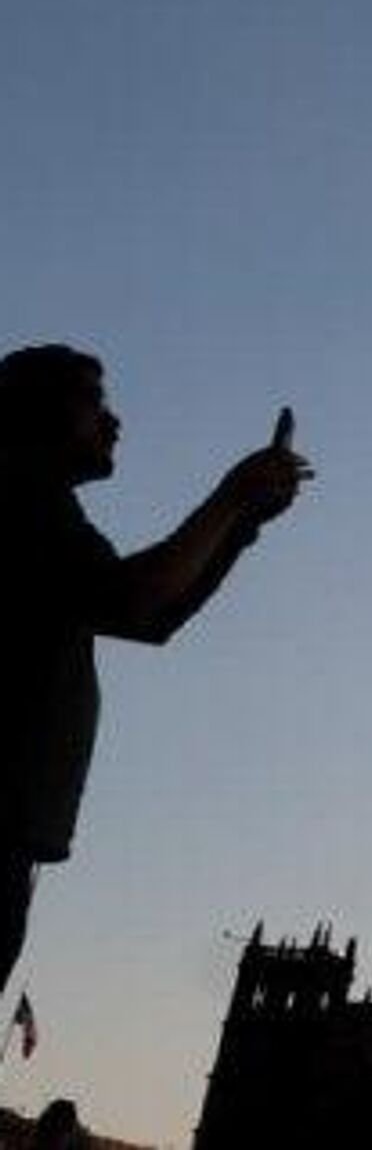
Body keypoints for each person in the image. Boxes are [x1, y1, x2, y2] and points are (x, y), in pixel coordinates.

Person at [0, 345, 313, 996]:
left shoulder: (43, 507)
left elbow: (151, 618)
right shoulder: (21, 498)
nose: (113, 421)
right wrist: (232, 499)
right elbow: (134, 600)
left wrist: (240, 524)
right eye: (93, 400)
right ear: (32, 409)